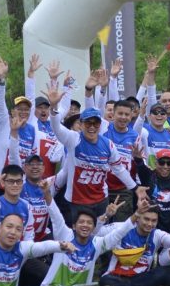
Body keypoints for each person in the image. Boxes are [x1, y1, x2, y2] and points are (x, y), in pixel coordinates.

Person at [45, 83, 144, 222]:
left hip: (101, 200)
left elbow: (119, 169)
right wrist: (54, 108)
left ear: (100, 124)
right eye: (88, 123)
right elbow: (56, 127)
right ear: (81, 124)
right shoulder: (73, 139)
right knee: (80, 233)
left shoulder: (108, 144)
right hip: (77, 200)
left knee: (102, 233)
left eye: (96, 123)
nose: (92, 127)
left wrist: (135, 188)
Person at [40, 201, 132, 286]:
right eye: (81, 222)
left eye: (89, 223)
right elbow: (55, 215)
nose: (85, 225)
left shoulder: (97, 244)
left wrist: (136, 215)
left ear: (93, 228)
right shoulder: (65, 235)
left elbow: (118, 234)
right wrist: (47, 194)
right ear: (74, 226)